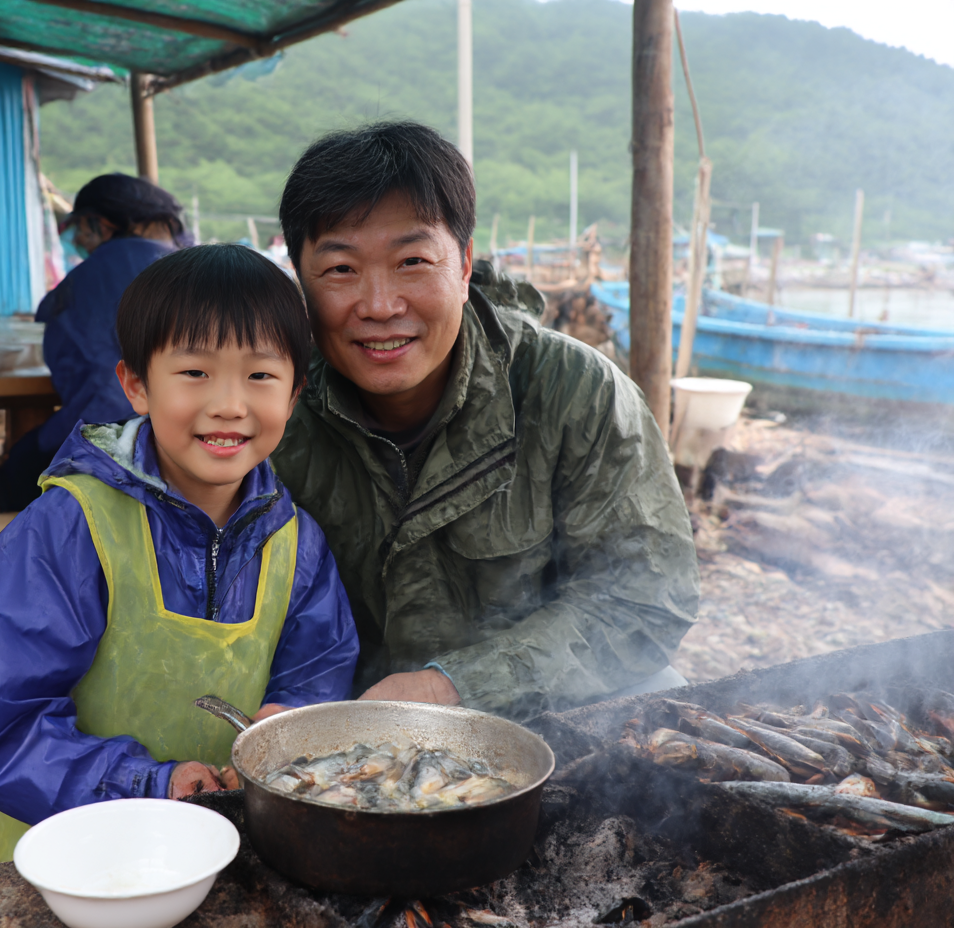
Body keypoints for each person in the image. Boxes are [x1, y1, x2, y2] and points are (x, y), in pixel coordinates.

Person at [270, 122, 700, 721]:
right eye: (341, 270)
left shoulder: (571, 389)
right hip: (338, 713)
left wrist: (454, 686)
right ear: (300, 279)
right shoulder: (268, 404)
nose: (379, 305)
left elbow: (645, 598)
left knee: (658, 693)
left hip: (528, 706)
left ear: (466, 264)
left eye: (412, 261)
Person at [0, 244, 360, 870]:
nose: (229, 403)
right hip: (50, 862)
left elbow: (318, 670)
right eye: (195, 373)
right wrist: (149, 784)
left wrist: (286, 724)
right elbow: (4, 728)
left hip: (202, 854)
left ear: (295, 393)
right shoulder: (69, 531)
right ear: (136, 384)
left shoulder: (296, 544)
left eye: (260, 375)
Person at [0, 173, 194, 512]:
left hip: (117, 433)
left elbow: (89, 386)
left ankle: (28, 560)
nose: (80, 240)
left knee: (18, 467)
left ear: (100, 224)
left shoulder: (85, 282)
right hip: (199, 432)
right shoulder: (203, 270)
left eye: (80, 228)